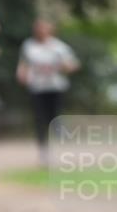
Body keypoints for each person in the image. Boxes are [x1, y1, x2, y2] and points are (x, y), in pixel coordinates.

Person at [16, 19, 79, 167]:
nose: (41, 31)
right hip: (37, 88)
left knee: (55, 119)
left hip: (55, 87)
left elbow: (73, 65)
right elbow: (23, 64)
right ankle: (43, 152)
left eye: (44, 28)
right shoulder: (29, 46)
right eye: (39, 28)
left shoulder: (59, 47)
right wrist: (22, 74)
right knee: (39, 120)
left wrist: (64, 67)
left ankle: (60, 151)